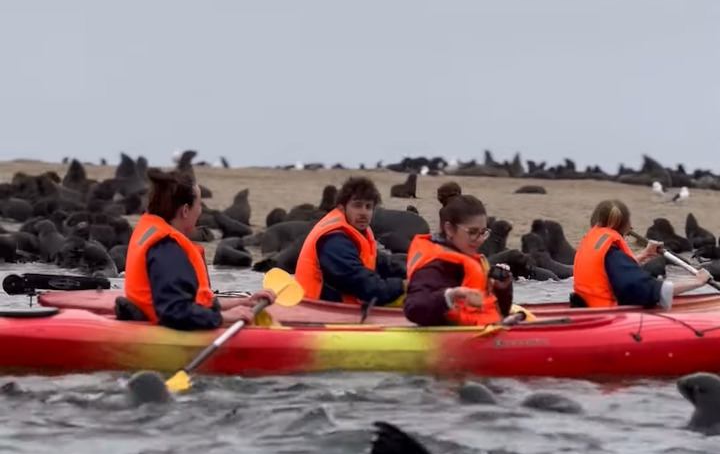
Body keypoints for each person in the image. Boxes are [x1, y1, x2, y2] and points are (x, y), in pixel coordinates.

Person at [118, 168, 273, 328]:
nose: (200, 212)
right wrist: (223, 317)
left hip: (150, 318)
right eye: (199, 206)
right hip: (163, 333)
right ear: (185, 211)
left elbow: (194, 302)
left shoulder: (154, 232)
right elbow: (175, 312)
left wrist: (243, 302)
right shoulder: (167, 249)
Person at [573, 199, 711, 309]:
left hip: (587, 307)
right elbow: (652, 291)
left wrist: (644, 255)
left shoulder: (594, 244)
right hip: (606, 318)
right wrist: (697, 282)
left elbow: (613, 271)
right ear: (626, 224)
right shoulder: (613, 255)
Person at [403, 194, 513, 327]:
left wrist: (501, 289)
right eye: (472, 232)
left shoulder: (468, 258)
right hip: (453, 337)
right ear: (449, 229)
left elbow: (498, 310)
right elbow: (413, 308)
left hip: (484, 328)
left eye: (483, 232)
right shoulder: (435, 265)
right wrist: (452, 294)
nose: (479, 239)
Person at [295, 176, 405, 305]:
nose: (363, 212)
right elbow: (364, 284)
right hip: (317, 311)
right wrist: (403, 285)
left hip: (339, 307)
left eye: (368, 207)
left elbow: (382, 263)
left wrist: (417, 267)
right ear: (342, 208)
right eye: (357, 205)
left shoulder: (357, 232)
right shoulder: (334, 241)